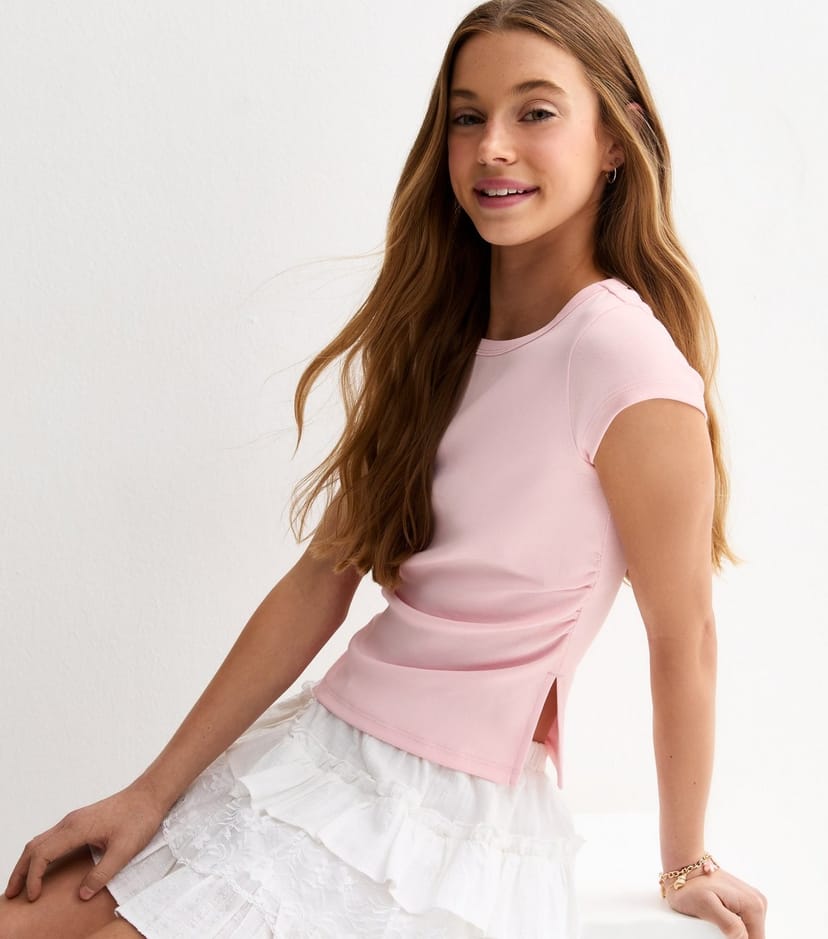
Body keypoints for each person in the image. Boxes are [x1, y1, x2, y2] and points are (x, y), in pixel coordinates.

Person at [1, 1, 768, 937]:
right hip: (320, 750)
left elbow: (684, 633)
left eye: (535, 111)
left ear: (615, 138)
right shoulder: (441, 339)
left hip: (437, 820)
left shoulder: (624, 360)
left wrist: (685, 859)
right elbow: (320, 580)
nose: (492, 147)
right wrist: (150, 791)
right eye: (467, 116)